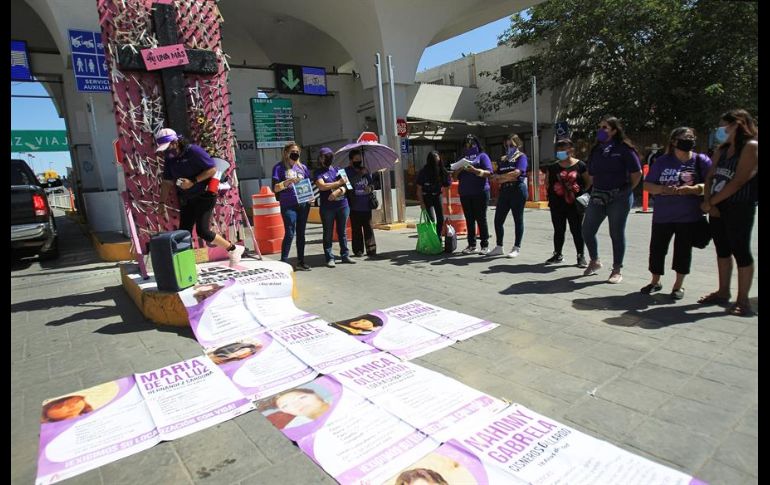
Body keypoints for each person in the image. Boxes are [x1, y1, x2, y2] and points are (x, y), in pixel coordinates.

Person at [156, 128, 245, 267]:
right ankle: (186, 265)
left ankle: (233, 249)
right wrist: (161, 203)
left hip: (205, 195)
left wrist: (193, 181)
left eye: (168, 147)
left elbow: (212, 169)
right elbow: (167, 182)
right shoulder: (169, 159)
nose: (166, 151)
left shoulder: (193, 151)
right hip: (187, 197)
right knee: (183, 233)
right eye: (163, 149)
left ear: (175, 142)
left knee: (202, 231)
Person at [641, 127, 712, 300]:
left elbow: (712, 183)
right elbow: (647, 185)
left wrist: (694, 189)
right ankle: (655, 281)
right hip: (663, 215)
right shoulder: (662, 161)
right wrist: (663, 189)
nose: (689, 139)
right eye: (684, 137)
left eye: (691, 137)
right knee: (657, 250)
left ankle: (678, 286)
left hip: (688, 216)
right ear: (673, 141)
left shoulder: (700, 161)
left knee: (683, 251)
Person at [699, 109, 758, 316]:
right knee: (722, 249)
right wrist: (708, 202)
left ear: (738, 124)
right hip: (716, 207)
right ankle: (723, 291)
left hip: (739, 206)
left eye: (724, 125)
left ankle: (743, 300)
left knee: (740, 250)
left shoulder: (750, 147)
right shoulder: (721, 150)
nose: (720, 129)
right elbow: (709, 177)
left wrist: (712, 202)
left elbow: (739, 180)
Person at [581, 116, 642, 283]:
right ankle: (595, 261)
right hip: (598, 195)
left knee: (616, 232)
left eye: (605, 127)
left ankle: (617, 269)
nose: (601, 130)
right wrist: (587, 192)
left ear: (614, 131)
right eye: (600, 127)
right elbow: (591, 174)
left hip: (619, 197)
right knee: (587, 230)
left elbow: (637, 174)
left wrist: (627, 190)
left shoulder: (624, 149)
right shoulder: (596, 150)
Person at [544, 138, 591, 267]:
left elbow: (588, 182)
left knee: (577, 229)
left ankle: (581, 256)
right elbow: (547, 183)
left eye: (563, 149)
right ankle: (557, 254)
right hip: (557, 204)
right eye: (558, 150)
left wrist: (579, 193)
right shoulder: (553, 167)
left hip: (575, 204)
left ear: (571, 150)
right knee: (558, 229)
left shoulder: (580, 165)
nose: (560, 152)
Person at [272, 142, 312, 271]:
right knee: (289, 232)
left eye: (297, 152)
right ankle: (284, 261)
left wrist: (311, 196)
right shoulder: (278, 168)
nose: (295, 154)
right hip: (288, 205)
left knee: (301, 233)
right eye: (292, 151)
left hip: (303, 204)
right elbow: (275, 188)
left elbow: (308, 184)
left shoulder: (303, 168)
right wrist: (288, 181)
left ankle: (301, 261)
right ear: (286, 153)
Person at [487, 134, 528, 258]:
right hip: (505, 190)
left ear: (517, 144)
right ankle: (499, 246)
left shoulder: (521, 157)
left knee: (518, 219)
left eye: (511, 145)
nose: (509, 147)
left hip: (518, 190)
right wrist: (502, 177)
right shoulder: (504, 159)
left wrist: (501, 177)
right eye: (507, 145)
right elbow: (496, 178)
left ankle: (516, 247)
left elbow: (517, 173)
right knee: (498, 219)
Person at [451, 134, 493, 254]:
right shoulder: (462, 157)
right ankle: (471, 245)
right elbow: (454, 176)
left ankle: (485, 245)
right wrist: (460, 168)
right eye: (466, 144)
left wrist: (474, 170)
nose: (468, 146)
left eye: (471, 144)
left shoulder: (482, 156)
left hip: (480, 192)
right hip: (465, 193)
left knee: (481, 218)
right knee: (469, 219)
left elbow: (489, 173)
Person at [314, 147, 355, 268]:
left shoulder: (339, 170)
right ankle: (329, 257)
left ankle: (345, 255)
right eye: (325, 156)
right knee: (328, 232)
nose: (328, 158)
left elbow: (348, 186)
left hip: (342, 205)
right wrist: (338, 183)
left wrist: (339, 191)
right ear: (320, 158)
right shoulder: (318, 173)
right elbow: (322, 186)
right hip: (327, 208)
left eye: (330, 156)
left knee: (342, 232)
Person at [346, 149, 378, 257]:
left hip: (366, 205)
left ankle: (371, 249)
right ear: (351, 160)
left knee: (369, 228)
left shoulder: (365, 170)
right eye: (356, 159)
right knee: (356, 230)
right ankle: (358, 250)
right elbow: (348, 186)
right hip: (354, 206)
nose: (358, 161)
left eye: (360, 159)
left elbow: (372, 184)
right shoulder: (346, 172)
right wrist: (360, 174)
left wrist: (370, 188)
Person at [416, 151, 451, 235]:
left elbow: (447, 188)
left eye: (437, 159)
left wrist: (449, 205)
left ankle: (438, 237)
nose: (436, 161)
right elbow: (419, 189)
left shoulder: (442, 171)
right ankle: (432, 237)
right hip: (426, 196)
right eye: (434, 160)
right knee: (431, 219)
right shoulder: (423, 172)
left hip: (437, 195)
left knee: (441, 219)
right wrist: (422, 203)